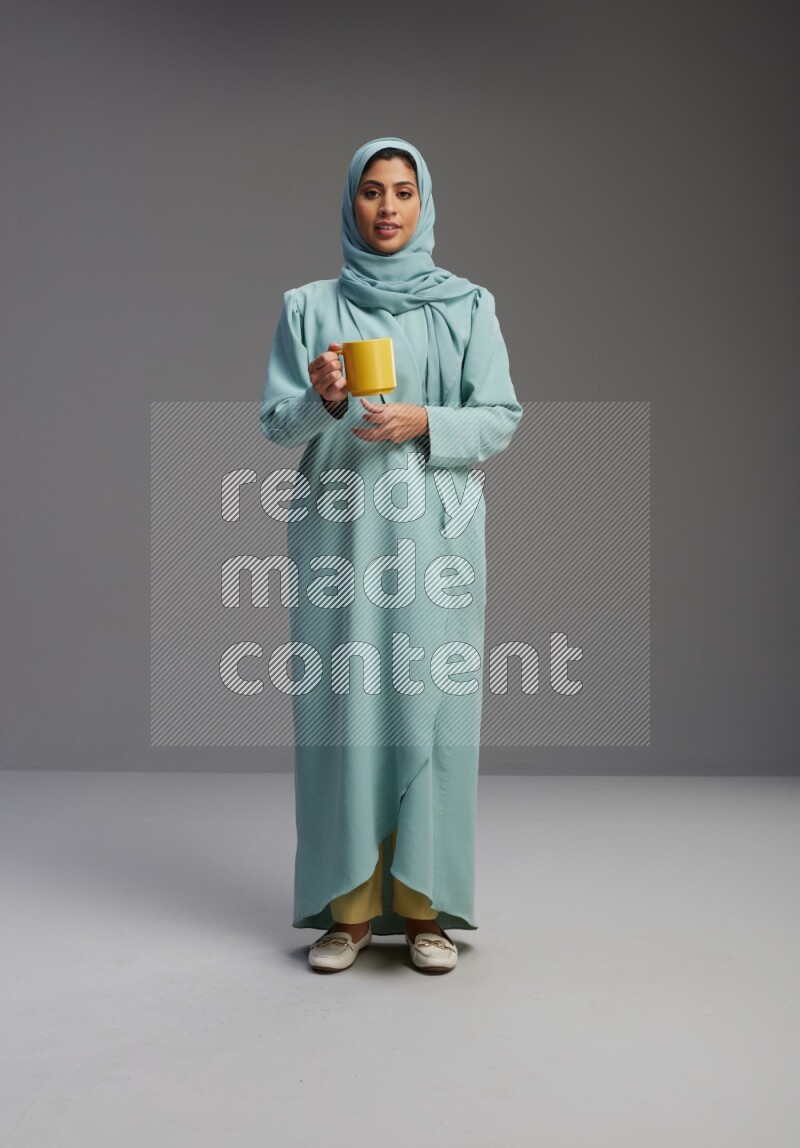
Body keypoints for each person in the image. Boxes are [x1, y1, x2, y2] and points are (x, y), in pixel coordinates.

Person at [259, 136, 522, 974]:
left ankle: (425, 912)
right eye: (372, 191)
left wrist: (426, 423)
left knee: (431, 712)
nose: (386, 208)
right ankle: (347, 909)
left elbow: (502, 415)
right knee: (344, 715)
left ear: (424, 203)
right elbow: (275, 424)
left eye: (403, 192)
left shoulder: (469, 305)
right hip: (341, 537)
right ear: (351, 202)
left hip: (434, 539)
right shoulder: (308, 305)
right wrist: (325, 399)